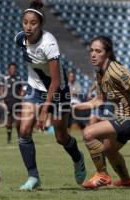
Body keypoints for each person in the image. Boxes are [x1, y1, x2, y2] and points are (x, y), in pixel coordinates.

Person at [14, 0, 86, 190]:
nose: (28, 27)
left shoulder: (49, 43)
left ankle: (78, 158)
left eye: (33, 23)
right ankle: (33, 177)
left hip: (58, 92)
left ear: (41, 25)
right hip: (34, 88)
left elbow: (55, 80)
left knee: (61, 137)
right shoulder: (19, 39)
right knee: (23, 131)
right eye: (25, 22)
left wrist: (45, 109)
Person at [74, 36, 130, 189]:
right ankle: (126, 180)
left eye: (98, 51)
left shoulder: (115, 70)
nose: (93, 54)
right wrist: (73, 106)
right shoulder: (99, 73)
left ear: (107, 53)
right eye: (92, 51)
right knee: (108, 150)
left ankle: (102, 175)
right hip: (122, 120)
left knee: (88, 133)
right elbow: (98, 101)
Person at [0, 63, 23, 144]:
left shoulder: (18, 78)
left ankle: (20, 138)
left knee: (19, 121)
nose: (13, 70)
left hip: (17, 102)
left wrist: (22, 97)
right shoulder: (4, 79)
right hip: (8, 102)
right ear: (8, 69)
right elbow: (2, 90)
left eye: (14, 68)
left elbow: (21, 90)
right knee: (9, 122)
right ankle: (9, 138)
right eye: (12, 68)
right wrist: (2, 101)